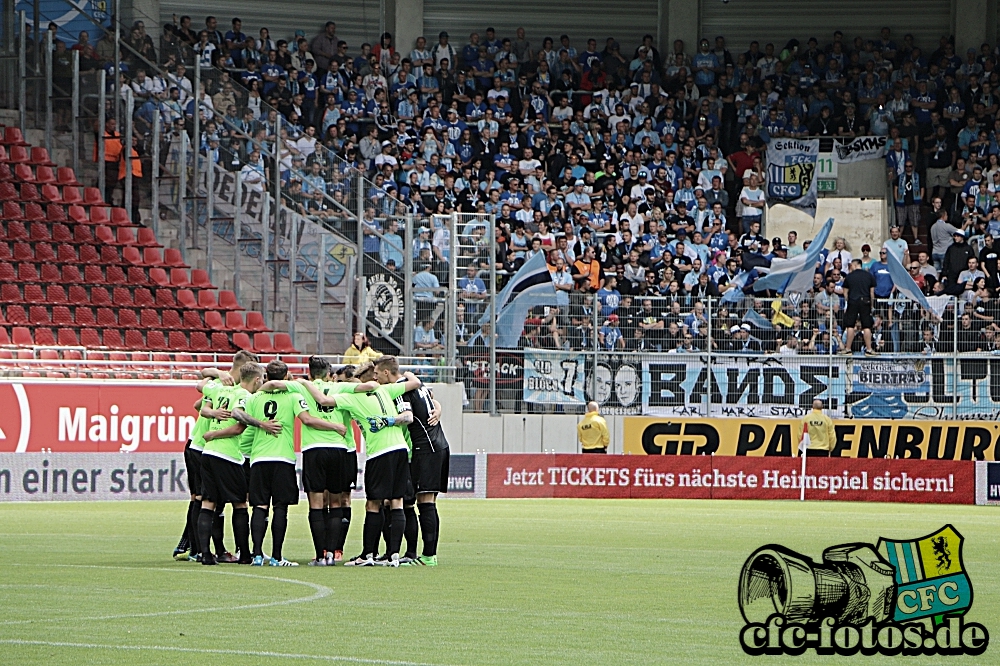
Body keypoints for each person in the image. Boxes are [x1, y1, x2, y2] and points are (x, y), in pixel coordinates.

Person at [298, 361, 422, 567]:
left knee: (373, 503)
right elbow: (415, 382)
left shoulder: (350, 398)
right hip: (400, 448)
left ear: (357, 380)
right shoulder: (386, 390)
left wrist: (304, 382)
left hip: (379, 452)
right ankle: (394, 556)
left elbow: (322, 400)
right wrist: (407, 372)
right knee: (397, 501)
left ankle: (368, 555)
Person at [240, 360, 334, 566]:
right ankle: (276, 557)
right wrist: (334, 426)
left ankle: (257, 555)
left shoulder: (255, 398)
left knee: (259, 507)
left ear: (266, 375)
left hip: (259, 458)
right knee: (280, 508)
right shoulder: (294, 396)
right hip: (282, 458)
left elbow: (243, 419)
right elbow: (308, 420)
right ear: (286, 377)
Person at [290, 356, 374, 566]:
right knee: (337, 501)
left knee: (317, 504)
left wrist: (300, 381)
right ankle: (332, 553)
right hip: (339, 449)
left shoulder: (301, 388)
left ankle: (321, 555)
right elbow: (369, 387)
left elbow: (273, 382)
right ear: (329, 374)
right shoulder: (341, 389)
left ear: (309, 373)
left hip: (314, 450)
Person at [197, 362, 277, 565]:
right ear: (257, 379)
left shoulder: (221, 389)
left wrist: (216, 374)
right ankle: (246, 555)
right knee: (240, 503)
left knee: (209, 503)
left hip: (208, 454)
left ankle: (206, 555)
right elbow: (237, 424)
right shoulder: (245, 396)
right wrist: (261, 424)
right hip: (228, 455)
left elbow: (201, 384)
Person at [374, 355, 449, 567]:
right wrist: (438, 409)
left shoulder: (401, 389)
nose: (377, 378)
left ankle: (428, 556)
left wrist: (386, 421)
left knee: (425, 502)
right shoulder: (417, 384)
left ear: (387, 373)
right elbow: (431, 398)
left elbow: (407, 417)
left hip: (426, 448)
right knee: (423, 502)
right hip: (437, 445)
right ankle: (423, 554)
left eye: (378, 374)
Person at [839, 259, 879, 356]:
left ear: (855, 265)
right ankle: (869, 349)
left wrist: (848, 300)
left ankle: (848, 349)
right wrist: (871, 304)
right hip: (865, 301)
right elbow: (872, 293)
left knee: (850, 325)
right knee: (866, 326)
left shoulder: (849, 276)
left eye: (851, 265)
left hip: (853, 300)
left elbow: (845, 291)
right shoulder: (869, 276)